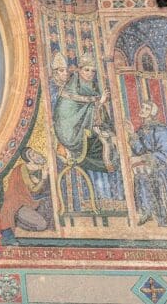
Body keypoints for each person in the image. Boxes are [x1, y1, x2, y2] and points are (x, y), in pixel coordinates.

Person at [52, 54, 122, 206]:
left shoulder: (94, 87)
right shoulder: (72, 87)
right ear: (78, 70)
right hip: (73, 134)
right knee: (103, 147)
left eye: (92, 71)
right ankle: (100, 196)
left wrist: (99, 109)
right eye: (86, 70)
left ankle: (115, 195)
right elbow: (65, 113)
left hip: (91, 129)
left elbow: (99, 114)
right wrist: (98, 104)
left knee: (115, 143)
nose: (90, 74)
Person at [0, 148, 53, 244]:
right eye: (32, 155)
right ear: (29, 160)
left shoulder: (39, 168)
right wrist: (43, 178)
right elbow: (34, 190)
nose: (36, 154)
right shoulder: (23, 169)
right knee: (42, 225)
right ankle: (19, 224)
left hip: (33, 202)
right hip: (19, 205)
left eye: (34, 152)